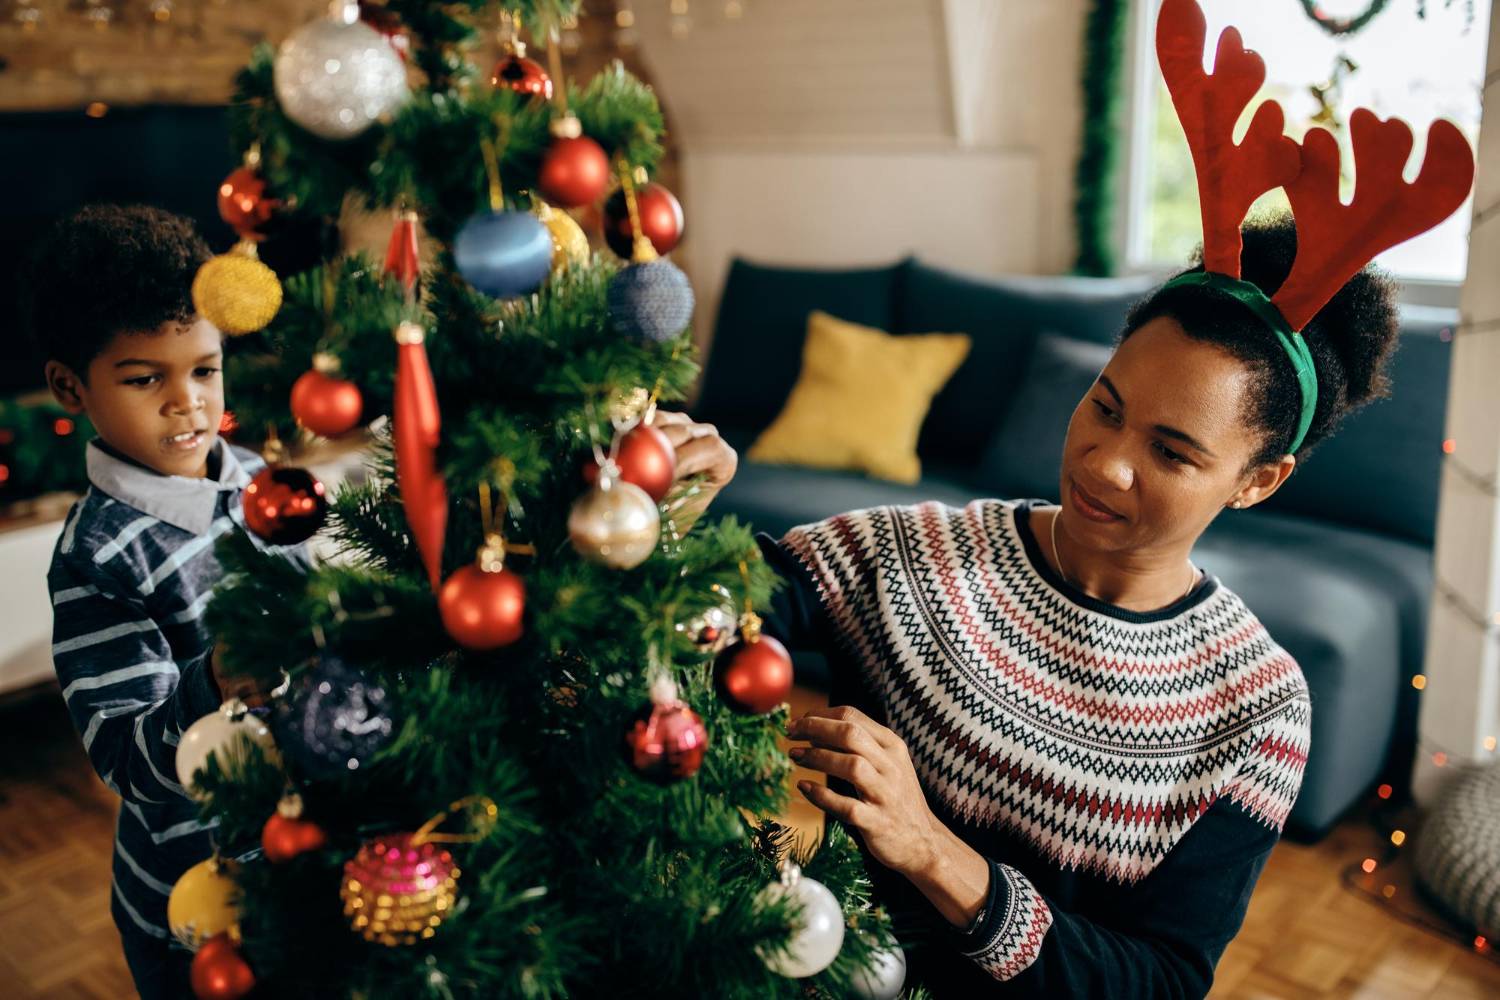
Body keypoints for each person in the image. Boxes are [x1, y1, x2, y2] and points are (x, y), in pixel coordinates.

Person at [25, 204, 293, 999]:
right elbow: (127, 761)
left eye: (205, 370)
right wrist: (215, 681)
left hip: (302, 858)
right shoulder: (95, 559)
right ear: (70, 387)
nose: (188, 405)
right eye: (146, 379)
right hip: (197, 909)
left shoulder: (250, 473)